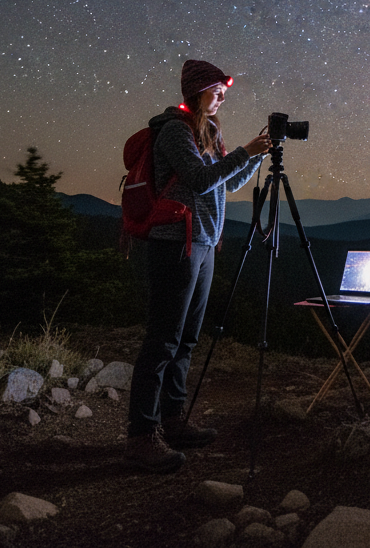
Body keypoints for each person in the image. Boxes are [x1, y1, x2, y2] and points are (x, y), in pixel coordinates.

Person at [125, 59, 272, 473]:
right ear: (195, 90)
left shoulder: (209, 130)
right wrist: (245, 151)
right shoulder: (174, 130)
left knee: (187, 339)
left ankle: (173, 420)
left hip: (204, 243)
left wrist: (256, 157)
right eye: (216, 89)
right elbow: (200, 179)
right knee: (163, 340)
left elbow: (227, 182)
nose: (222, 95)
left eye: (224, 90)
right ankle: (141, 435)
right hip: (175, 244)